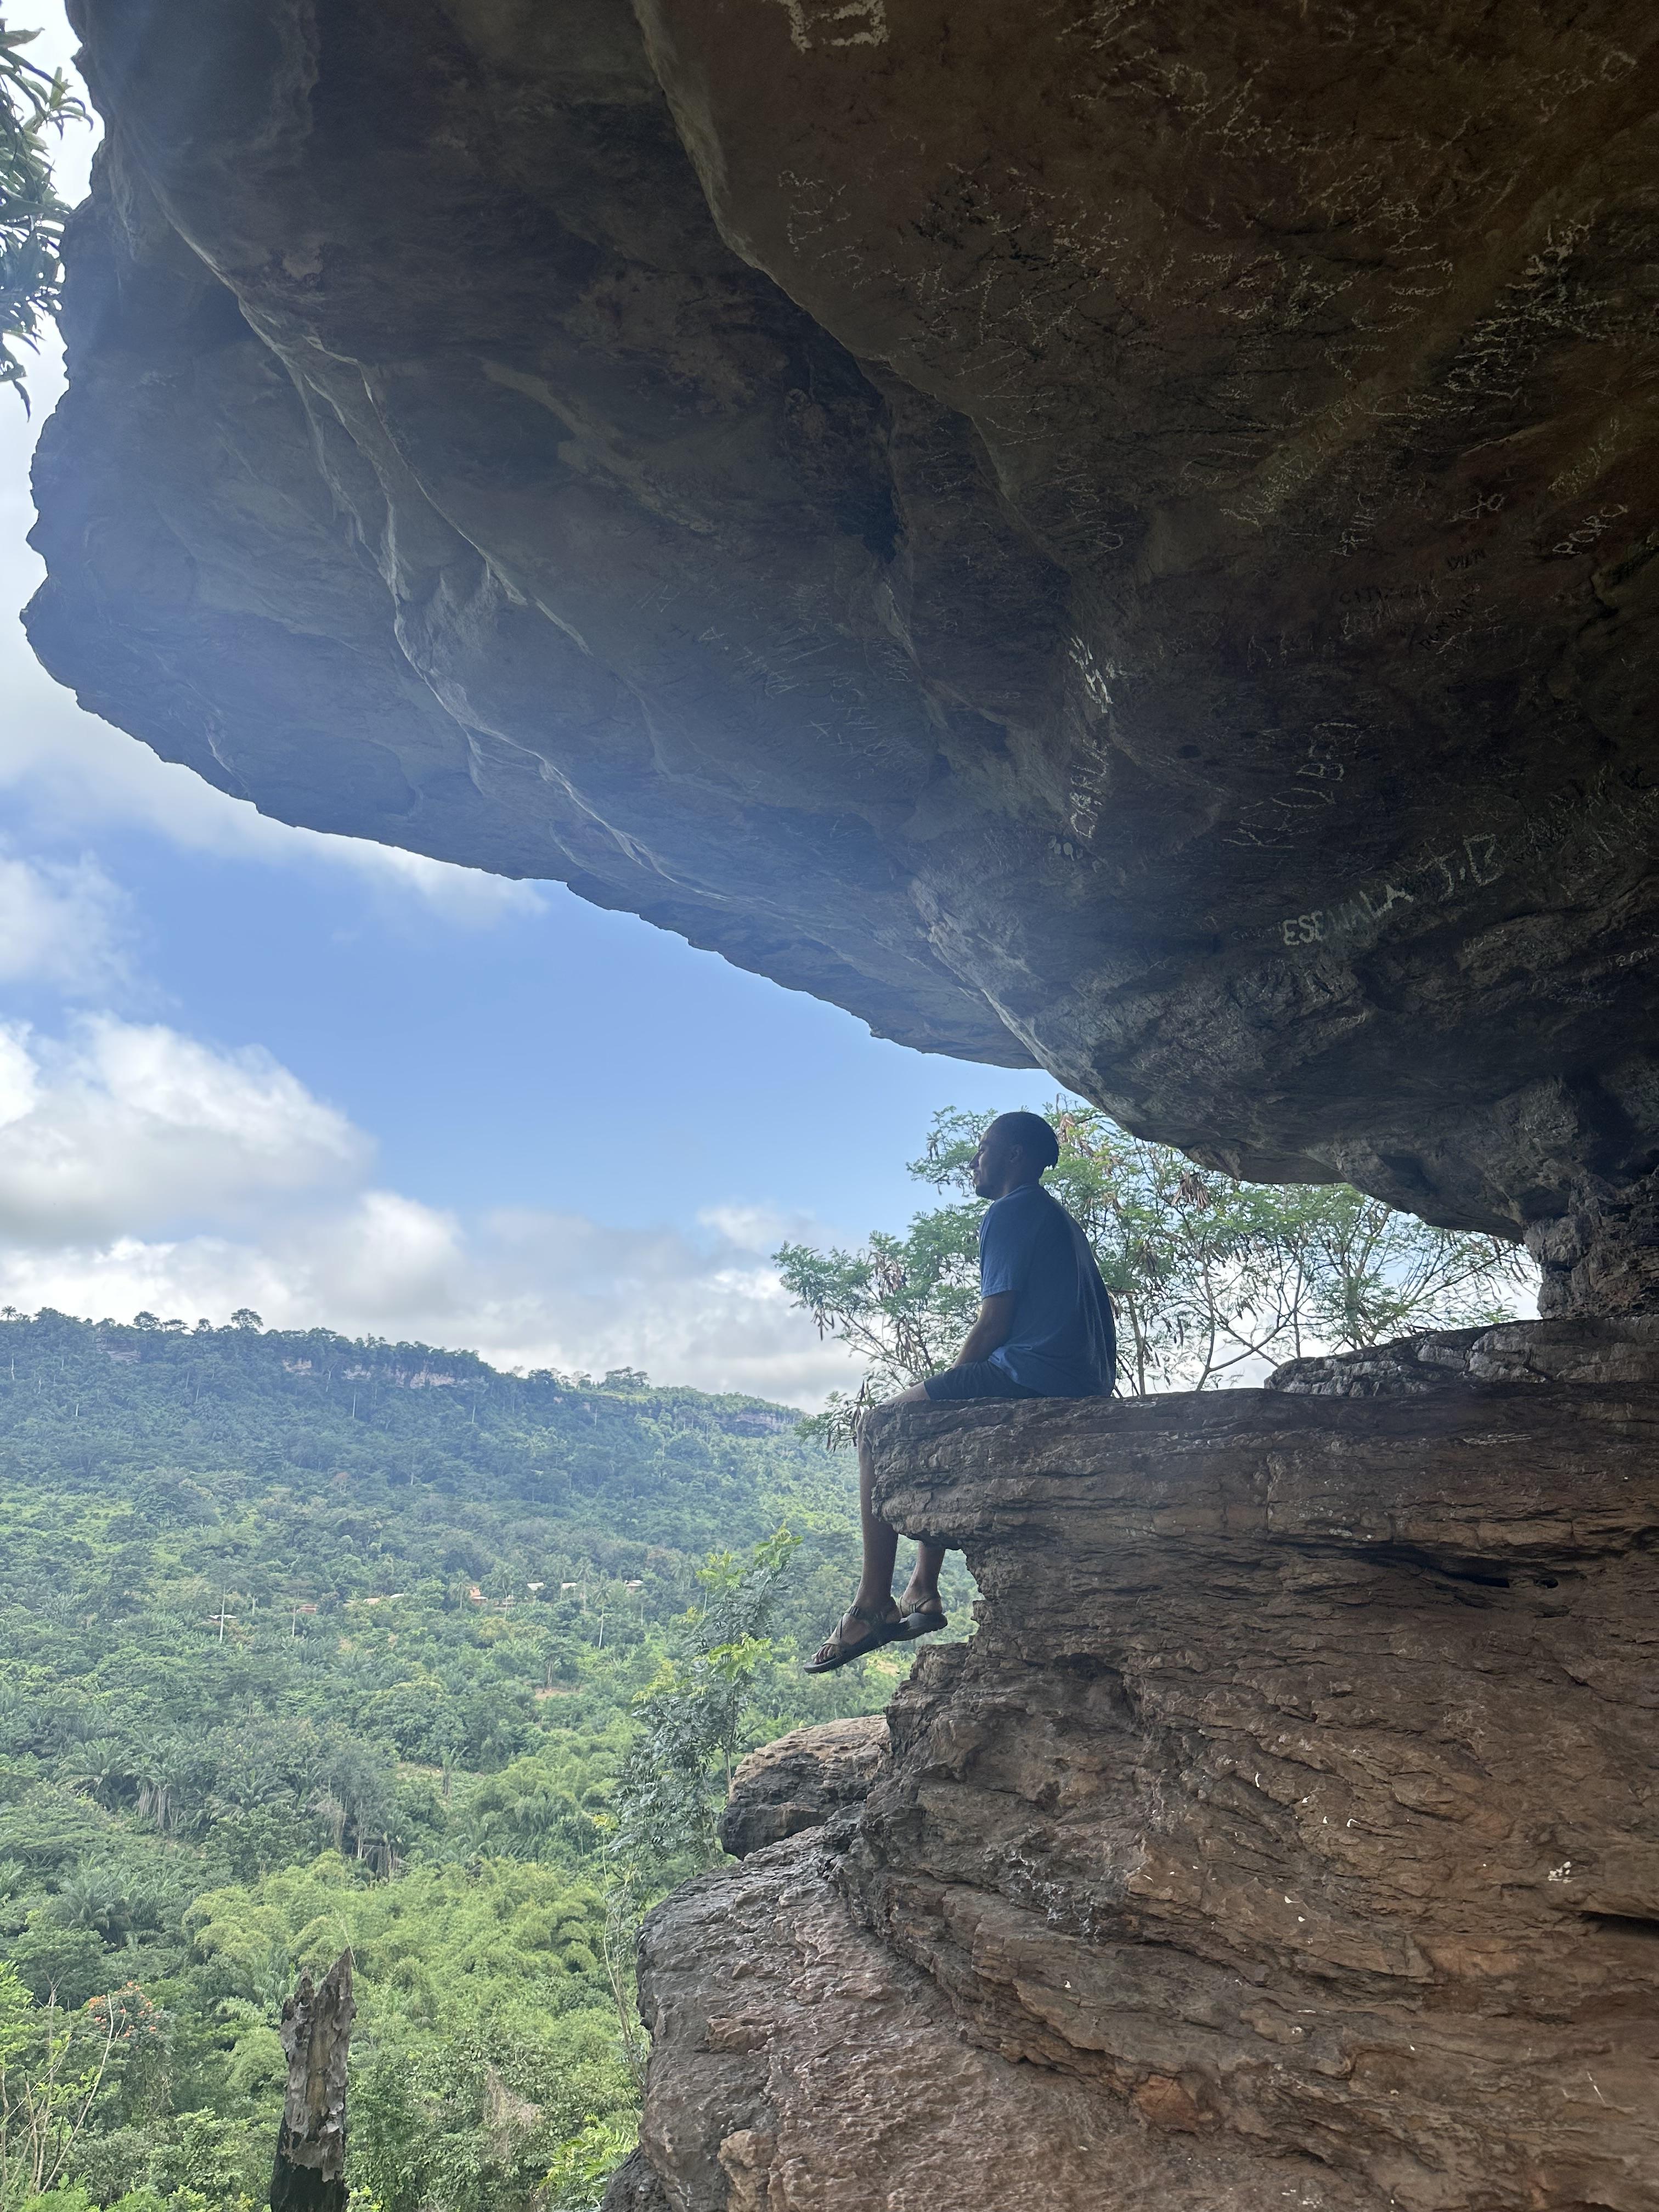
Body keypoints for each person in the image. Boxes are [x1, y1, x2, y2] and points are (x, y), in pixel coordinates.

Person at [806, 1110, 1115, 1673]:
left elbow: (994, 1322)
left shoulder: (1012, 1209)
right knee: (935, 1414)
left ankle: (873, 1604)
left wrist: (943, 1398)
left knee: (879, 1427)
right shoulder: (1060, 1220)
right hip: (1081, 1382)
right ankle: (922, 1587)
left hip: (1031, 1375)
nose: (973, 1160)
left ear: (1015, 1156)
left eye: (984, 1148)